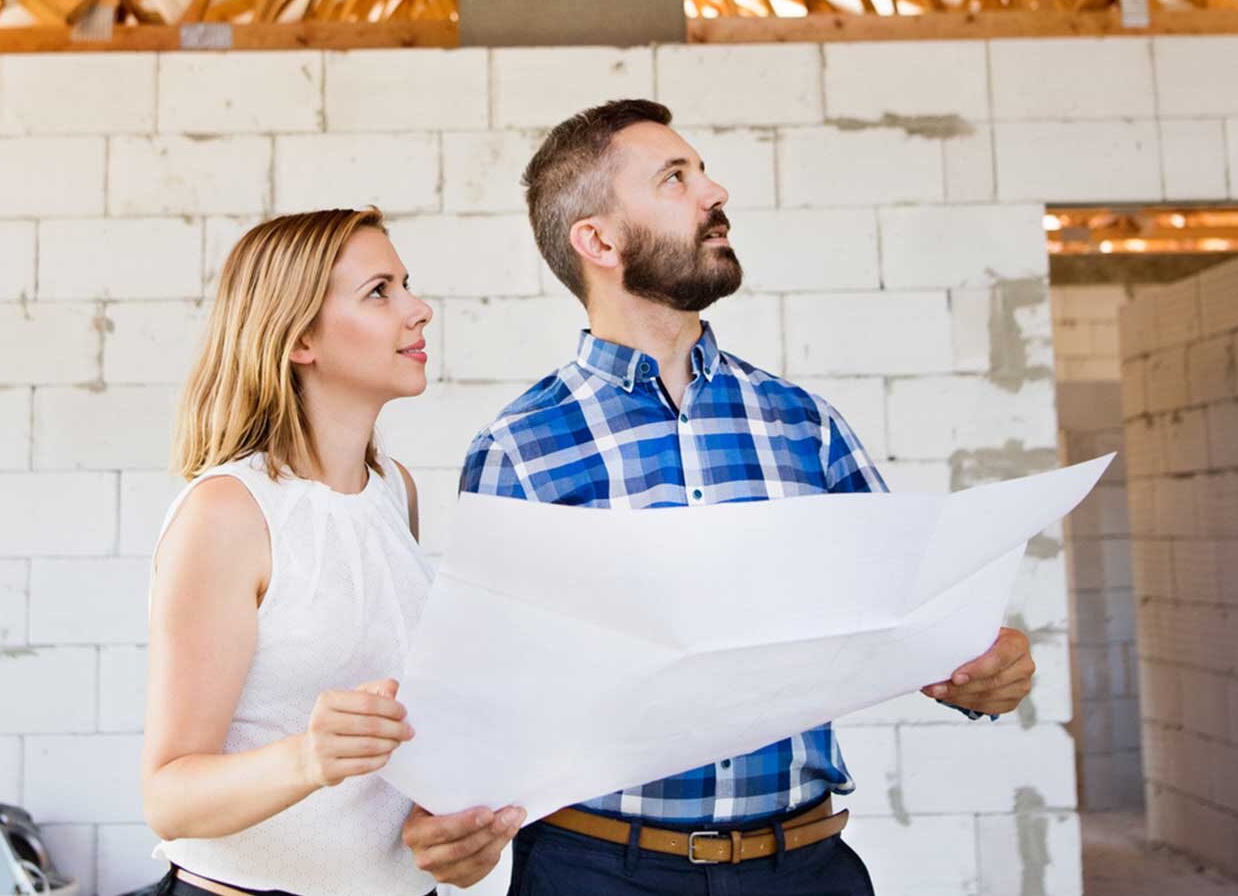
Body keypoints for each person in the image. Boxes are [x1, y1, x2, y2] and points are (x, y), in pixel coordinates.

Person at [400, 100, 1038, 895]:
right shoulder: (519, 451)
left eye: (701, 171)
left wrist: (988, 667)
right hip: (597, 871)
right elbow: (484, 692)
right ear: (598, 241)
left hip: (806, 868)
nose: (715, 192)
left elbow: (920, 618)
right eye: (676, 178)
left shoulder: (803, 424)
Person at [141, 208, 517, 896]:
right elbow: (169, 797)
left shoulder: (392, 491)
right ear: (300, 339)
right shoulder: (227, 512)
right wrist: (308, 759)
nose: (419, 309)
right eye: (380, 291)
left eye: (407, 285)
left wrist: (452, 835)